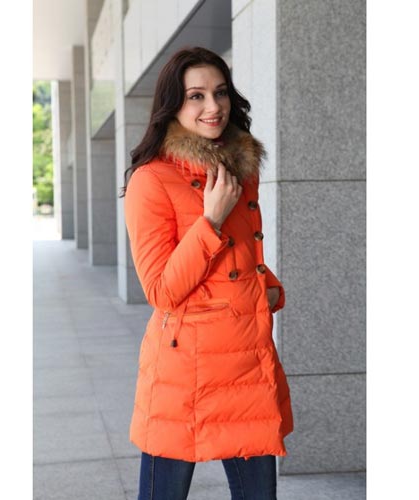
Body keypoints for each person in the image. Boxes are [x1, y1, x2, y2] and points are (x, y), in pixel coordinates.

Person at [122, 46, 293, 500]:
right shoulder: (151, 179)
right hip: (185, 369)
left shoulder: (239, 169)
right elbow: (161, 290)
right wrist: (210, 220)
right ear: (172, 105)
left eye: (220, 92)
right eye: (195, 96)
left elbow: (242, 258)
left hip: (245, 359)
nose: (213, 106)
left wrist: (267, 288)